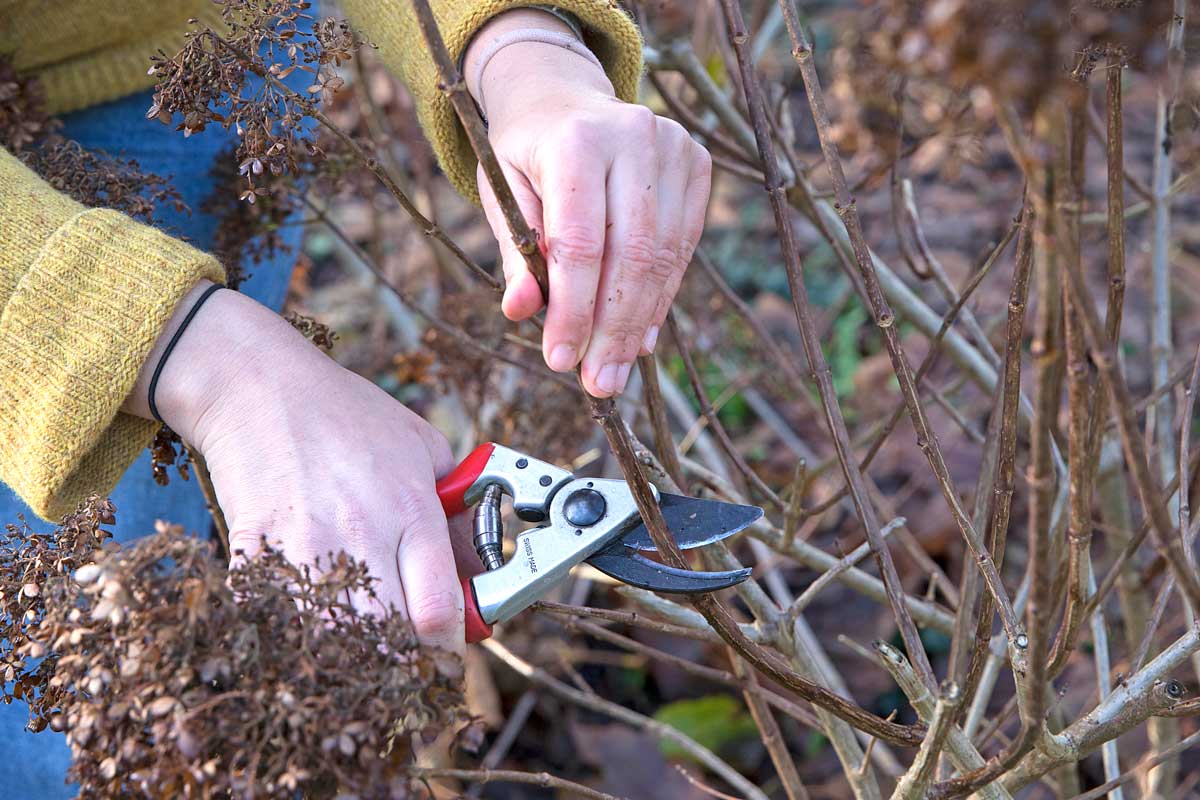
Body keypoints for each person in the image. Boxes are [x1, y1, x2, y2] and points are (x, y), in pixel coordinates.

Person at [0, 2, 710, 794]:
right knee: (67, 716)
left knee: (165, 586)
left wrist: (522, 48)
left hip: (181, 67)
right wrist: (210, 362)